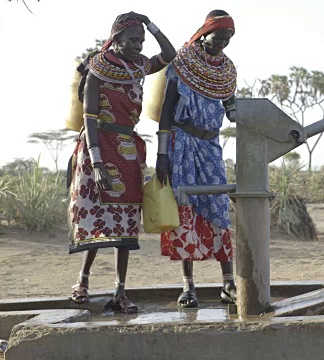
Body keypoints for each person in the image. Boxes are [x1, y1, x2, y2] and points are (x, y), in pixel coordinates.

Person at [68, 12, 176, 313]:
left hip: (129, 149)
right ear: (116, 39)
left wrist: (150, 23)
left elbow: (169, 54)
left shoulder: (139, 66)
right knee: (97, 219)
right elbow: (89, 118)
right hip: (98, 149)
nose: (138, 46)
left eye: (141, 41)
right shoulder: (97, 69)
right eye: (133, 40)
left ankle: (120, 291)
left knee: (126, 222)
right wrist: (98, 163)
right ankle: (83, 281)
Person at [156, 9, 237, 308]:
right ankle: (188, 287)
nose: (222, 45)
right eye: (219, 38)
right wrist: (162, 153)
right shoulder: (183, 63)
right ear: (205, 34)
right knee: (184, 209)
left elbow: (233, 110)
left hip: (211, 146)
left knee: (218, 209)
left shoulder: (226, 71)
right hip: (182, 144)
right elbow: (166, 110)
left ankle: (228, 283)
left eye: (228, 40)